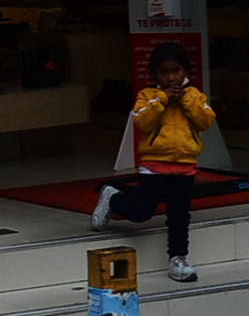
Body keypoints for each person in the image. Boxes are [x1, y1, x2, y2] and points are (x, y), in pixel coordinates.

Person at [91, 40, 214, 282]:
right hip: (154, 168)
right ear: (155, 74)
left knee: (179, 217)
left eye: (176, 70)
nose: (171, 77)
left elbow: (206, 121)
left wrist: (185, 100)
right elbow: (142, 121)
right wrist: (162, 99)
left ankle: (178, 259)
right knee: (140, 213)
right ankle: (112, 197)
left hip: (185, 169)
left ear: (185, 71)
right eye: (164, 72)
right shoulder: (148, 96)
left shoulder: (195, 96)